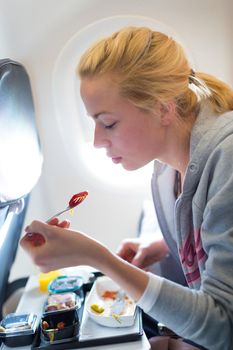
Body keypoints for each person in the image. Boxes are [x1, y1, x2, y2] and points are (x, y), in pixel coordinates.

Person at [20, 26, 233, 350]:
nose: (96, 140)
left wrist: (99, 259)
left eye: (108, 123)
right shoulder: (165, 167)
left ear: (163, 108)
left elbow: (224, 327)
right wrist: (164, 245)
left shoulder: (226, 159)